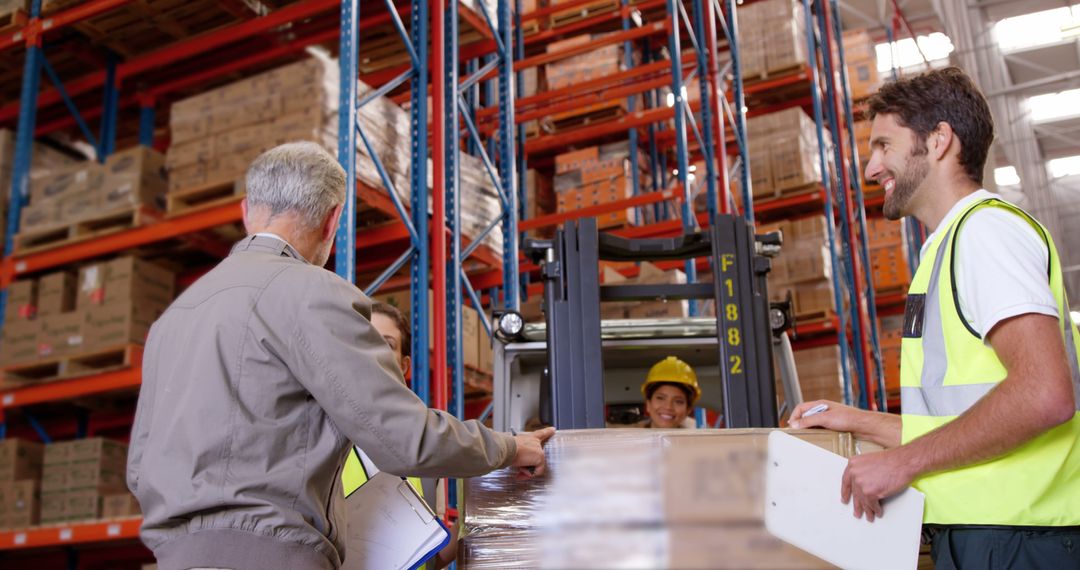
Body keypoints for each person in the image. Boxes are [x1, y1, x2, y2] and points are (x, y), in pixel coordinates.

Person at [126, 142, 555, 570]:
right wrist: (508, 447)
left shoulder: (173, 319)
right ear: (333, 218)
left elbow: (139, 466)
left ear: (245, 210)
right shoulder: (314, 293)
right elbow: (404, 439)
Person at [788, 67, 1080, 568]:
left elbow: (1045, 395)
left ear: (940, 140)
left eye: (884, 146)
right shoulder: (945, 247)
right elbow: (967, 422)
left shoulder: (984, 234)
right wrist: (861, 422)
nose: (871, 167)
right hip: (993, 534)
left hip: (1018, 538)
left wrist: (900, 463)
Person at [341, 301, 455, 570]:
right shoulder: (320, 432)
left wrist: (472, 524)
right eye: (365, 338)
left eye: (388, 343)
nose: (374, 350)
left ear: (404, 365)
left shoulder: (425, 446)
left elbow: (428, 558)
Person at [638, 356, 700, 429]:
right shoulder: (627, 439)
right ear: (648, 404)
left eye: (678, 402)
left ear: (688, 410)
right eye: (660, 398)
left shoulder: (698, 439)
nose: (668, 407)